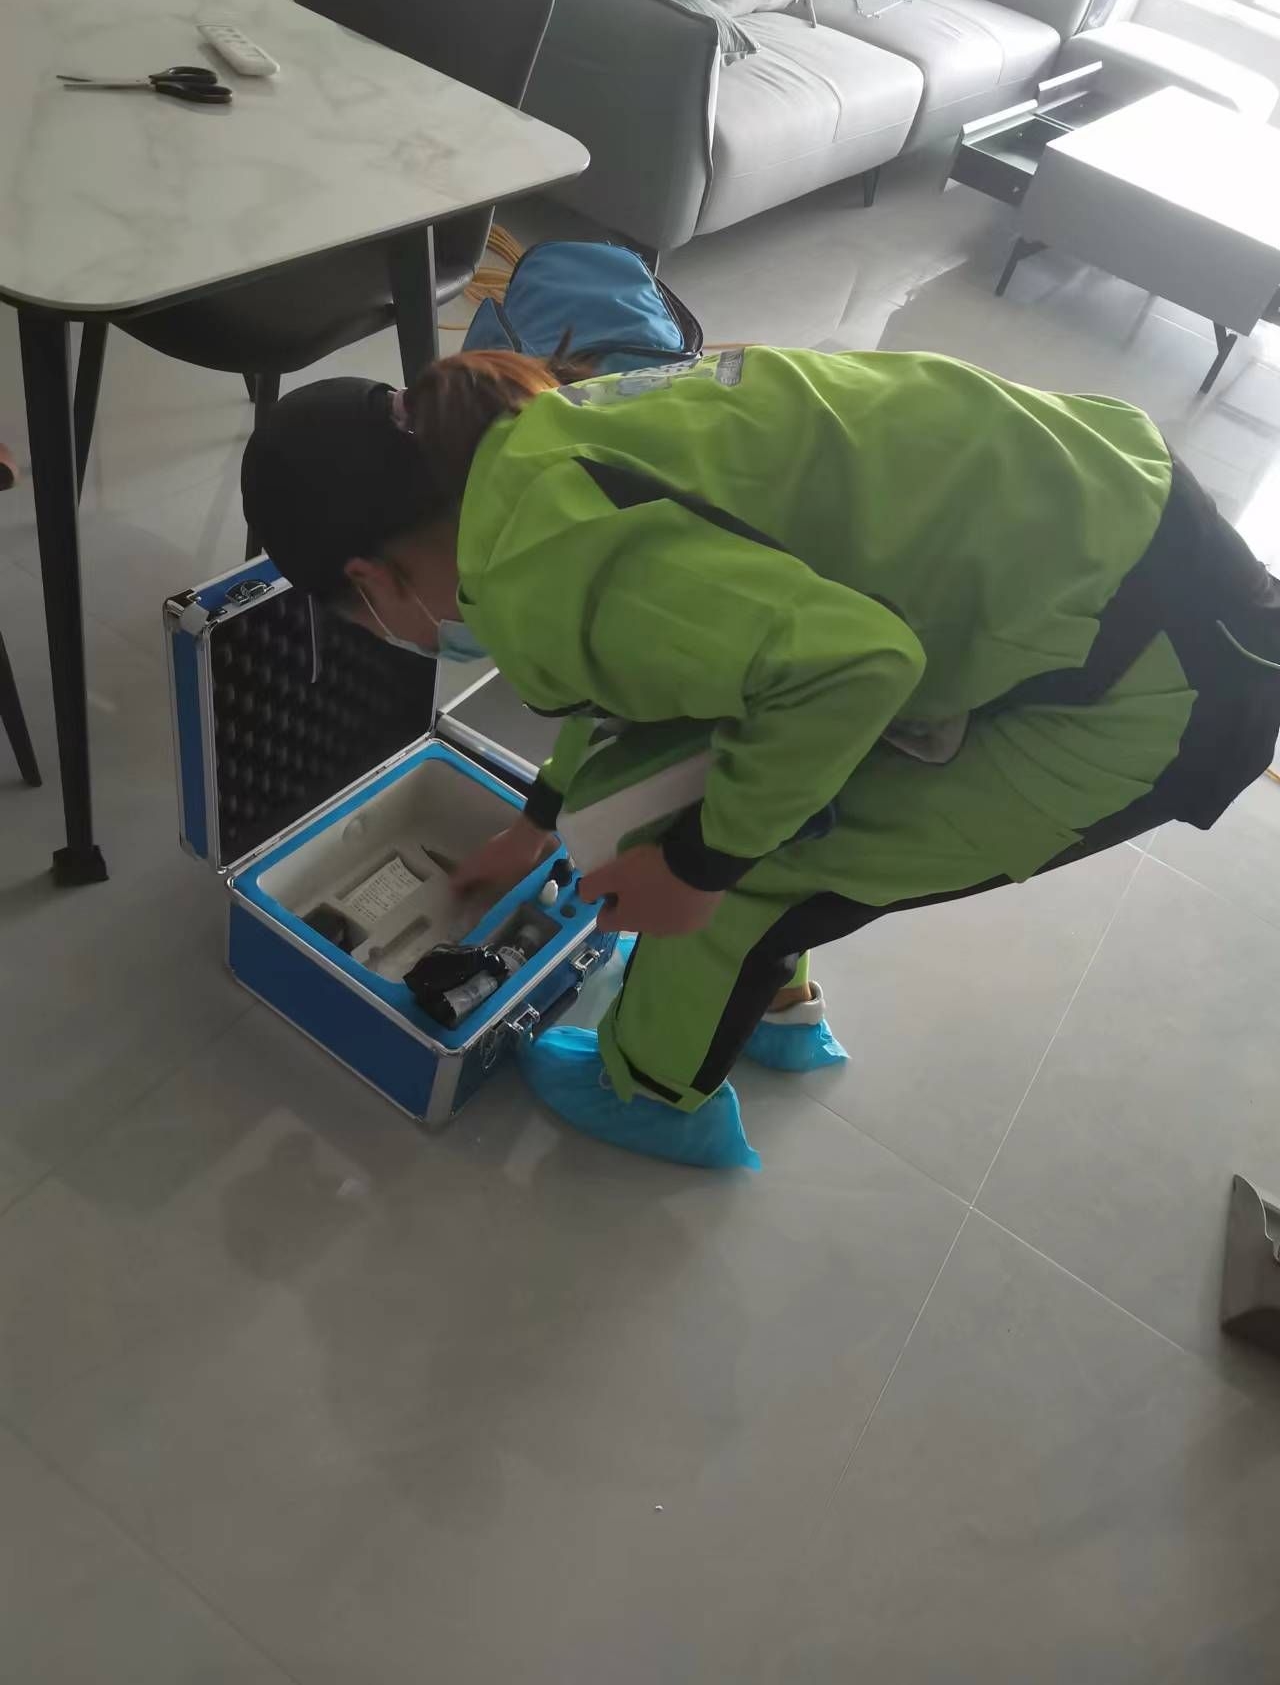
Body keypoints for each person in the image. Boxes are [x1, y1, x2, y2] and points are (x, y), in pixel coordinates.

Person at [241, 347, 1280, 1170]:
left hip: (1160, 679)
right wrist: (540, 815)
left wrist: (698, 867)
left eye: (364, 621)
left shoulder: (529, 567)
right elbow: (645, 654)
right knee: (761, 792)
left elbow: (855, 665)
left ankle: (652, 1092)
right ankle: (770, 1003)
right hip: (1104, 515)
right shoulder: (525, 446)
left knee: (750, 866)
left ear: (372, 581)